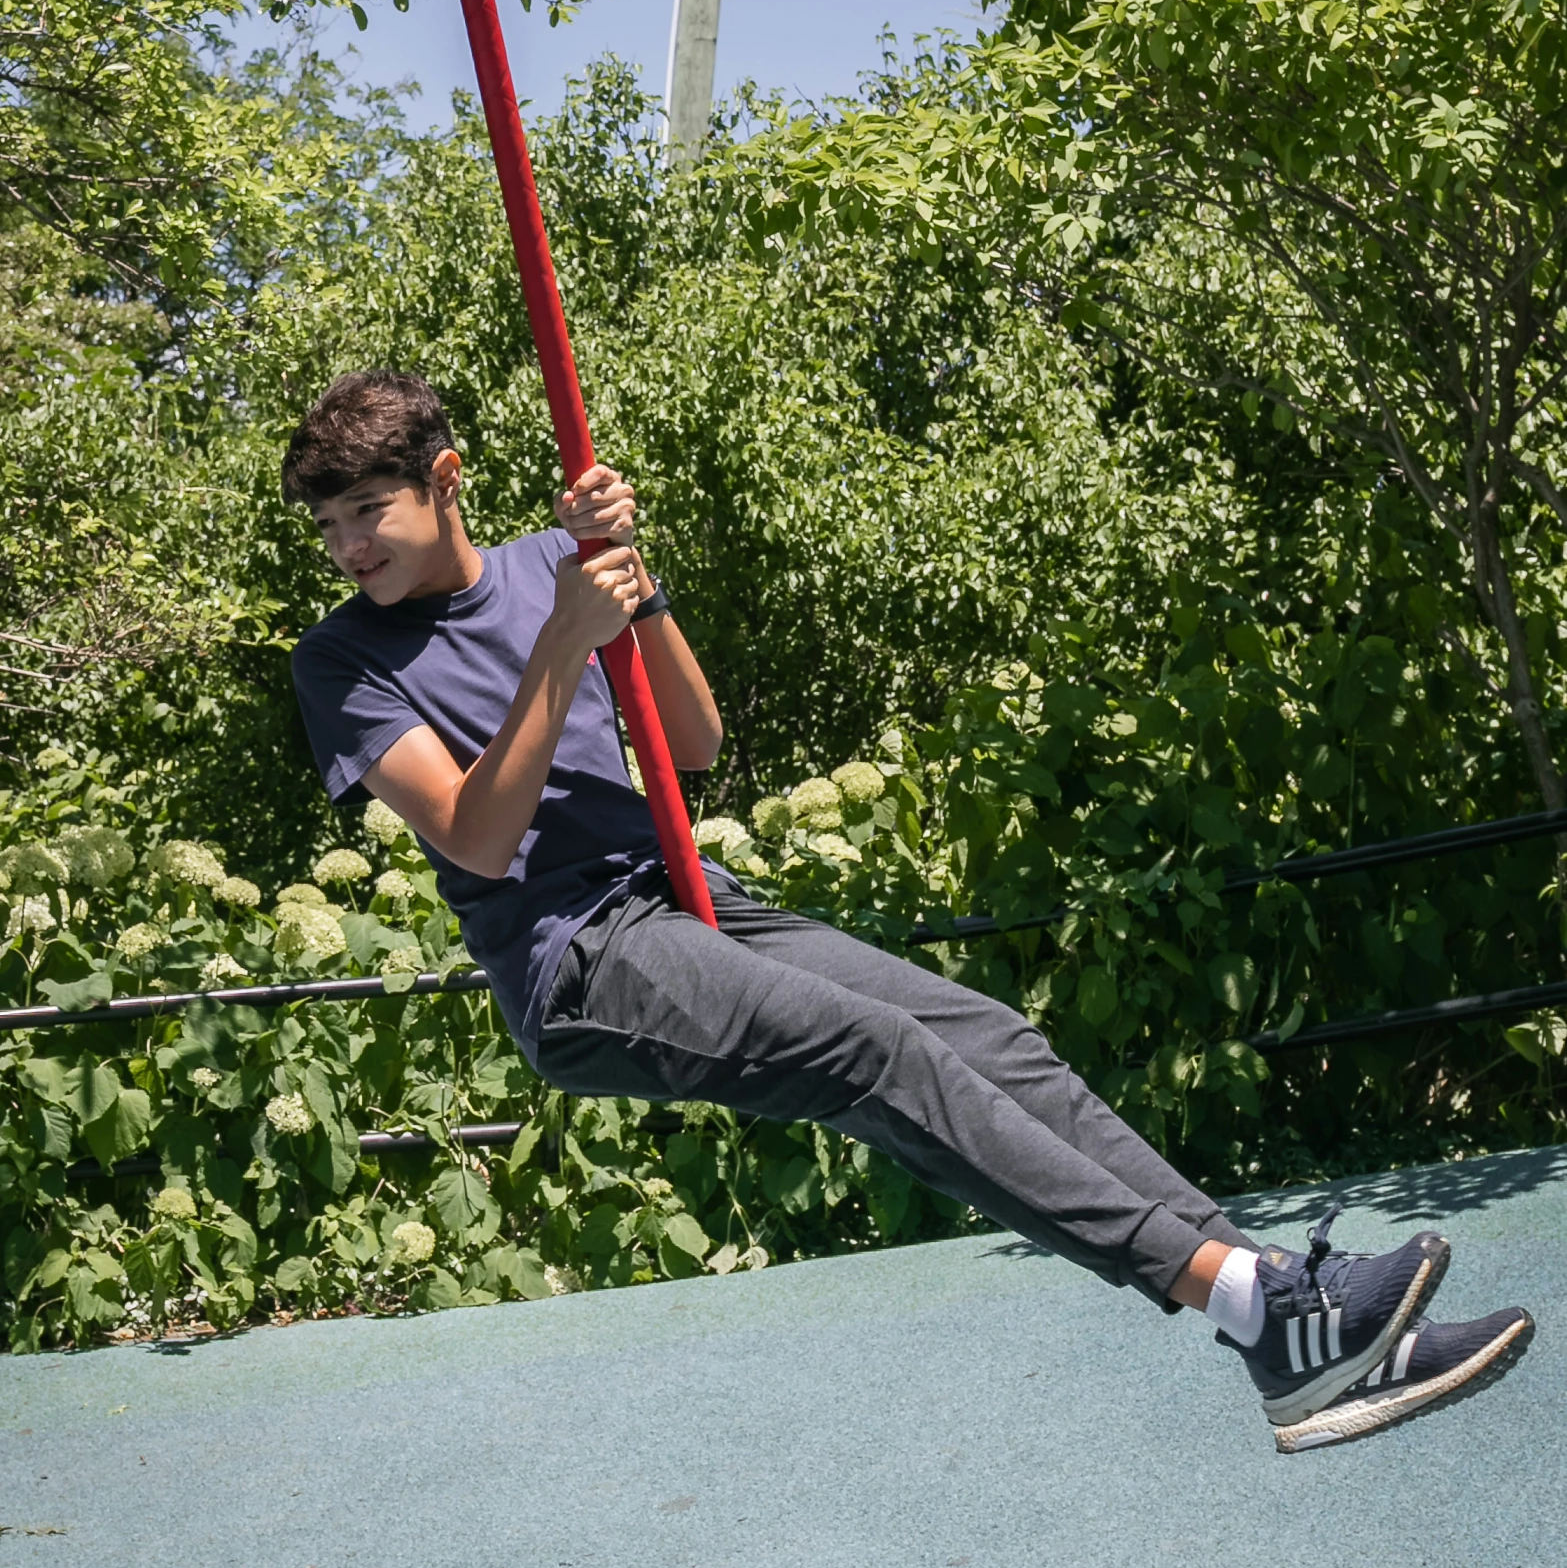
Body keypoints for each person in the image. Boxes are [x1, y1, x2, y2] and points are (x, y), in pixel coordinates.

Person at [284, 370, 1535, 1454]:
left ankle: (1281, 1313)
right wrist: (565, 640)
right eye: (330, 525)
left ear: (445, 477)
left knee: (985, 1030)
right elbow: (479, 839)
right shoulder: (345, 661)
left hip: (692, 897)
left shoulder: (559, 565)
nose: (348, 545)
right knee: (875, 1055)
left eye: (366, 511)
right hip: (581, 960)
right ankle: (1259, 1306)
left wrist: (635, 590)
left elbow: (697, 741)